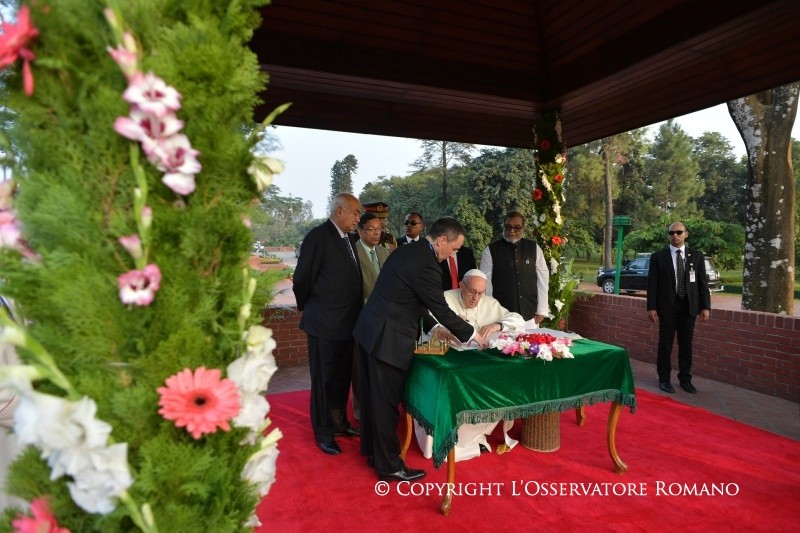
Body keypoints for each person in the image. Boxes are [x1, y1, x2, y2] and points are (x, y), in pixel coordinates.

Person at [353, 217, 488, 482]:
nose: (454, 254)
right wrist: (472, 335)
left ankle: (373, 451)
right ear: (441, 241)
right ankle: (390, 466)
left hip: (370, 332)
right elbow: (439, 307)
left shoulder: (407, 252)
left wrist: (440, 328)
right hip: (387, 340)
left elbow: (417, 301)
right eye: (454, 248)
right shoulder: (427, 265)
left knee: (373, 398)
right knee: (386, 404)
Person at [416, 269, 524, 461]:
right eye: (472, 291)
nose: (476, 298)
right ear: (461, 286)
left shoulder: (489, 303)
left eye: (480, 293)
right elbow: (426, 322)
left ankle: (475, 436)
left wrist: (496, 325)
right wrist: (447, 327)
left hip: (478, 367)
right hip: (449, 364)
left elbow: (518, 320)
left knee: (498, 386)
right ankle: (447, 440)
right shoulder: (444, 299)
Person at [293, 193, 363, 455]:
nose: (358, 217)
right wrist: (312, 307)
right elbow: (302, 279)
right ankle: (323, 433)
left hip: (347, 325)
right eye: (355, 212)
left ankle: (339, 424)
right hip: (324, 324)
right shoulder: (318, 237)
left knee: (341, 380)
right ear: (339, 211)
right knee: (324, 382)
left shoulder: (349, 239)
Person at [647, 221, 711, 394]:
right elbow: (652, 284)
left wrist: (705, 307)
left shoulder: (696, 256)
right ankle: (664, 379)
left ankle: (685, 379)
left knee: (686, 345)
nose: (675, 235)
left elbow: (702, 283)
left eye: (679, 232)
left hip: (689, 307)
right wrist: (651, 307)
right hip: (667, 307)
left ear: (686, 234)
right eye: (671, 233)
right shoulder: (658, 257)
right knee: (665, 344)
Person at [350, 212, 390, 420]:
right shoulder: (352, 253)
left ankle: (381, 406)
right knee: (360, 367)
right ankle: (360, 409)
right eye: (372, 229)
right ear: (360, 231)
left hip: (385, 320)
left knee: (380, 367)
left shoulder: (385, 252)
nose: (377, 233)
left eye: (379, 229)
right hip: (362, 318)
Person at [480, 211, 549, 326]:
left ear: (523, 228)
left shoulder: (534, 248)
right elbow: (485, 283)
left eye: (517, 227)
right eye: (508, 226)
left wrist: (541, 310)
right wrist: (491, 311)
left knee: (531, 343)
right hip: (501, 315)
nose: (512, 231)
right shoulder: (491, 250)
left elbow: (543, 279)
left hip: (530, 314)